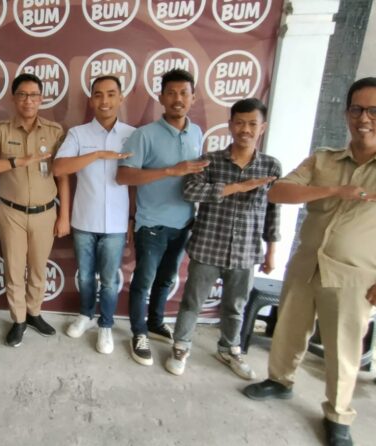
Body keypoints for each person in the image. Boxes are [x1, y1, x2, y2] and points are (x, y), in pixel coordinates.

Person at [243, 77, 376, 446]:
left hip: (354, 274)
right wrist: (335, 190)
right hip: (306, 262)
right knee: (289, 327)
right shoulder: (324, 159)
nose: (364, 118)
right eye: (357, 109)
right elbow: (278, 192)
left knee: (343, 347)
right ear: (347, 114)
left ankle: (338, 415)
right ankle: (279, 380)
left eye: (373, 111)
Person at [164, 98, 281, 379]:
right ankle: (181, 346)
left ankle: (229, 349)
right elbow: (190, 191)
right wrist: (236, 187)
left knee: (235, 307)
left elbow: (273, 211)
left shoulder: (271, 166)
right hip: (208, 247)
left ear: (262, 128)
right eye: (239, 123)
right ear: (230, 125)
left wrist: (272, 252)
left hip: (246, 251)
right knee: (192, 303)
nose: (245, 130)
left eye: (252, 124)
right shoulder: (211, 161)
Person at [116, 68, 208, 366]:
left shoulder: (196, 133)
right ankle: (138, 332)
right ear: (161, 98)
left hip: (184, 223)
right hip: (152, 224)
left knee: (167, 279)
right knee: (143, 281)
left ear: (193, 98)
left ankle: (155, 323)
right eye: (171, 93)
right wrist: (170, 171)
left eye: (184, 93)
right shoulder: (144, 135)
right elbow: (124, 176)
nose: (178, 99)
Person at [0, 73, 71, 347]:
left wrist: (64, 216)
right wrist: (18, 161)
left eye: (34, 95)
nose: (29, 100)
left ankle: (34, 313)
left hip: (46, 212)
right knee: (14, 270)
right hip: (11, 212)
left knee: (38, 268)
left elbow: (63, 175)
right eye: (23, 95)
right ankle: (18, 320)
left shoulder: (54, 131)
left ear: (42, 98)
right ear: (14, 98)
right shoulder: (0, 130)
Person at [53, 75, 134, 354]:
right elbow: (59, 168)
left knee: (109, 280)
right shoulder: (78, 134)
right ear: (91, 100)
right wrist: (97, 154)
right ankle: (86, 315)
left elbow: (140, 179)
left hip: (116, 223)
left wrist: (133, 219)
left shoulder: (133, 134)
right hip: (84, 220)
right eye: (98, 95)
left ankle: (106, 325)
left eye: (111, 94)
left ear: (121, 98)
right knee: (86, 276)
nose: (105, 101)